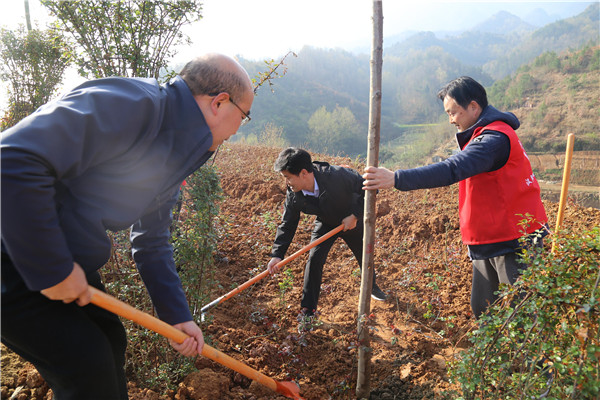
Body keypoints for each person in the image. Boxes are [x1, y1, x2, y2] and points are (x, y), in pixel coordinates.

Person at [1, 53, 254, 399]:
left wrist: (176, 316)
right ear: (220, 103)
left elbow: (151, 241)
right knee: (86, 364)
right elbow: (12, 159)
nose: (240, 128)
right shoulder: (136, 105)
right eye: (245, 116)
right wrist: (51, 268)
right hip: (16, 251)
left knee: (109, 339)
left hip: (59, 258)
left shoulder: (176, 149)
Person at [362, 76, 548, 320]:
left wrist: (396, 178)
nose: (451, 120)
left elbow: (452, 169)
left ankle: (529, 359)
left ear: (473, 106)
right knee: (484, 310)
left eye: (454, 113)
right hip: (489, 238)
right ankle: (492, 357)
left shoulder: (493, 139)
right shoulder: (482, 134)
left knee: (523, 317)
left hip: (513, 240)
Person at [267, 148, 387, 331]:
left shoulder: (338, 176)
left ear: (304, 173)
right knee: (314, 261)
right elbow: (288, 224)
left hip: (351, 220)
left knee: (364, 255)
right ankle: (308, 312)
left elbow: (371, 189)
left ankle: (373, 287)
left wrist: (354, 215)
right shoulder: (293, 193)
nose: (286, 182)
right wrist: (277, 254)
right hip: (326, 222)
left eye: (288, 176)